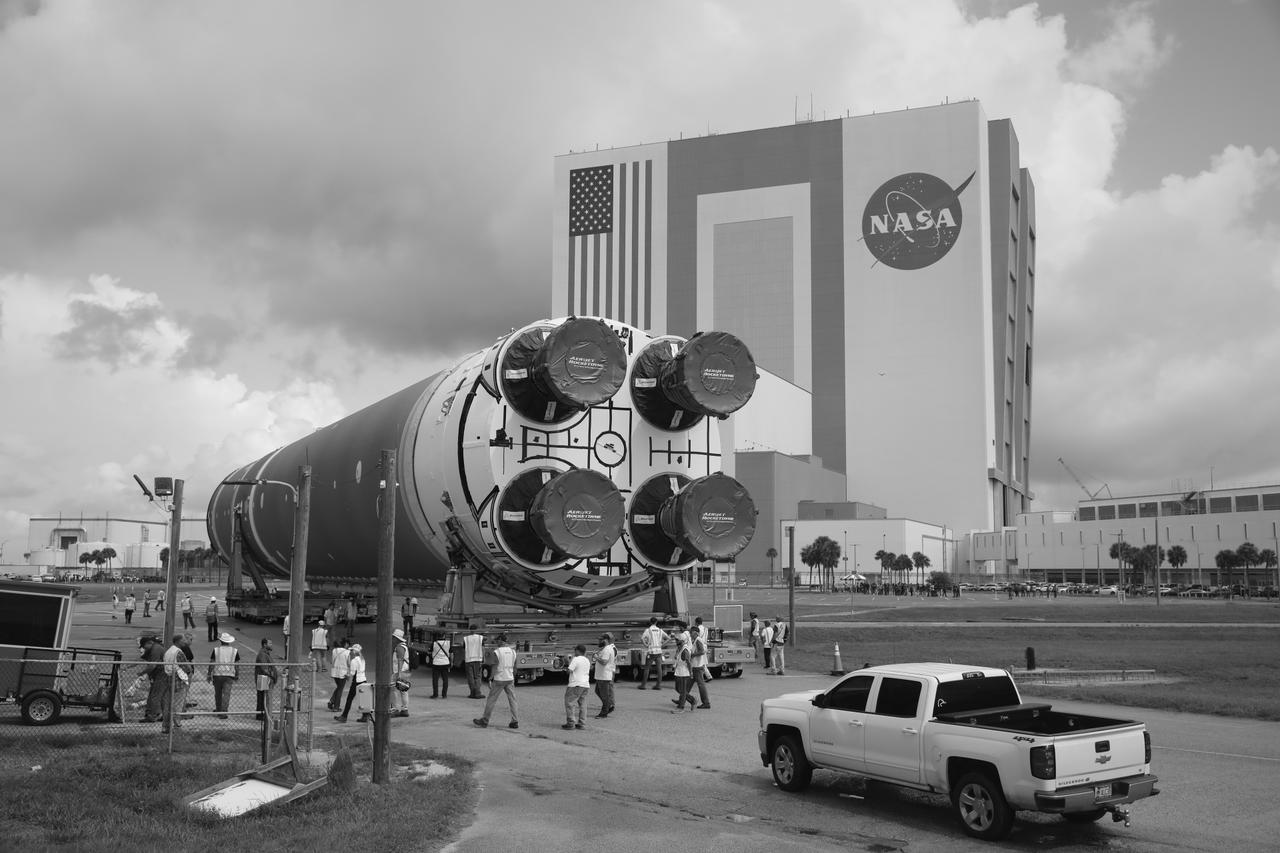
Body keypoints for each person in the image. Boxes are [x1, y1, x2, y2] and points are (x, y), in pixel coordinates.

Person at [473, 633, 518, 729]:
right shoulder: (513, 652)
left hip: (499, 679)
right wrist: (512, 677)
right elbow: (515, 667)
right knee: (512, 699)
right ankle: (515, 721)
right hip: (509, 678)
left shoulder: (497, 652)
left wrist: (490, 678)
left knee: (491, 699)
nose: (496, 642)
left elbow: (495, 666)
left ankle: (485, 720)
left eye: (497, 640)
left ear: (501, 641)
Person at [161, 634, 191, 733]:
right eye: (183, 640)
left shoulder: (168, 651)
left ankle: (166, 726)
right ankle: (177, 726)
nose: (185, 642)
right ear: (178, 641)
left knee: (168, 705)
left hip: (169, 679)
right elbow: (186, 667)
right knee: (178, 705)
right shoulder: (178, 652)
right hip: (179, 680)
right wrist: (189, 671)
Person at [207, 632, 240, 719]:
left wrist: (209, 674)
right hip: (229, 675)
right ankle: (224, 712)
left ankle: (218, 709)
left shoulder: (216, 650)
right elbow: (237, 665)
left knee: (218, 693)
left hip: (217, 674)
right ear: (229, 641)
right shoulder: (234, 651)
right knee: (226, 694)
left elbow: (212, 663)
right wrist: (237, 674)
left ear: (221, 641)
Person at [562, 644, 590, 730]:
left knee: (569, 703)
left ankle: (571, 723)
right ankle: (582, 723)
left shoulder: (576, 659)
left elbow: (569, 670)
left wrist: (567, 662)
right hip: (585, 684)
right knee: (583, 704)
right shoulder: (587, 660)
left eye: (575, 650)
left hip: (575, 684)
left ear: (577, 651)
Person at [638, 617, 670, 690]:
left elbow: (642, 638)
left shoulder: (648, 630)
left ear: (650, 622)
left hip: (651, 651)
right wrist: (662, 645)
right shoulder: (660, 630)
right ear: (656, 622)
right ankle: (658, 685)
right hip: (659, 651)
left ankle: (643, 685)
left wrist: (646, 645)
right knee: (659, 668)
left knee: (647, 668)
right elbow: (668, 638)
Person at [140, 634, 165, 722]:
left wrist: (142, 673)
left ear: (149, 643)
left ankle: (153, 715)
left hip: (161, 674)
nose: (144, 648)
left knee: (155, 695)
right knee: (155, 694)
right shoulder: (153, 648)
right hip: (158, 675)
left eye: (144, 646)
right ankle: (158, 714)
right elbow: (142, 659)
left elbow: (152, 666)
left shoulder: (156, 649)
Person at [593, 632, 617, 718]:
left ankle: (604, 712)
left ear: (606, 640)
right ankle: (608, 704)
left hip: (604, 675)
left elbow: (604, 662)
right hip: (601, 675)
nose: (600, 641)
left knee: (604, 695)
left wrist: (596, 657)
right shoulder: (605, 648)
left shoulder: (607, 649)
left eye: (601, 640)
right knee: (598, 691)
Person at [255, 637, 278, 721]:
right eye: (270, 643)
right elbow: (264, 668)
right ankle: (262, 715)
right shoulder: (262, 654)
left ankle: (263, 714)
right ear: (265, 645)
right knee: (263, 698)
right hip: (264, 679)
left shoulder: (266, 654)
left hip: (265, 679)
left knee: (263, 698)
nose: (271, 645)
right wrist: (273, 676)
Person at [670, 634, 694, 714]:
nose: (676, 641)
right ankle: (692, 700)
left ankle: (681, 708)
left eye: (677, 640)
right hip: (679, 672)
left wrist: (690, 672)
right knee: (678, 689)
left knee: (682, 691)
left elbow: (688, 662)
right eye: (676, 640)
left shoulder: (685, 650)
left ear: (682, 641)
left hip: (683, 673)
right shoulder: (680, 648)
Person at [689, 624, 711, 709]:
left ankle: (706, 702)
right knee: (688, 684)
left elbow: (702, 651)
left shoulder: (698, 640)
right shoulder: (696, 640)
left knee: (701, 685)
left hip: (698, 666)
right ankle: (682, 699)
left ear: (695, 633)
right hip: (695, 665)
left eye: (691, 633)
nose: (690, 634)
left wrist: (693, 655)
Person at [391, 628, 411, 717]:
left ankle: (394, 709)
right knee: (403, 690)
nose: (392, 639)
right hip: (405, 670)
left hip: (399, 672)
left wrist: (399, 673)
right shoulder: (403, 646)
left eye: (394, 637)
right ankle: (404, 709)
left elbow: (400, 660)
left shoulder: (399, 647)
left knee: (393, 690)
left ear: (397, 639)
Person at [327, 637, 351, 711]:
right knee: (340, 689)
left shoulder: (334, 650)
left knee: (339, 688)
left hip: (335, 672)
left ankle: (331, 701)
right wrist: (349, 673)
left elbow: (332, 661)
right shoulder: (347, 652)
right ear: (345, 644)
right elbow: (349, 663)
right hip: (343, 673)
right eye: (348, 644)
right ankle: (336, 707)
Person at [463, 624, 486, 699]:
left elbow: (464, 648)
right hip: (478, 659)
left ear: (470, 630)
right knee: (478, 677)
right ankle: (478, 693)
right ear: (477, 630)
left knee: (470, 677)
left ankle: (472, 693)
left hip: (468, 660)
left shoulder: (466, 638)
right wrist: (484, 657)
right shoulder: (480, 638)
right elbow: (483, 648)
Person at [428, 630, 450, 700]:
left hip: (436, 663)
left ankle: (435, 694)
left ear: (437, 636)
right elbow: (451, 653)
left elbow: (429, 652)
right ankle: (444, 694)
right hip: (445, 663)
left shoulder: (434, 643)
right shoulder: (448, 643)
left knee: (435, 680)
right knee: (445, 679)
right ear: (444, 635)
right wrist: (451, 662)